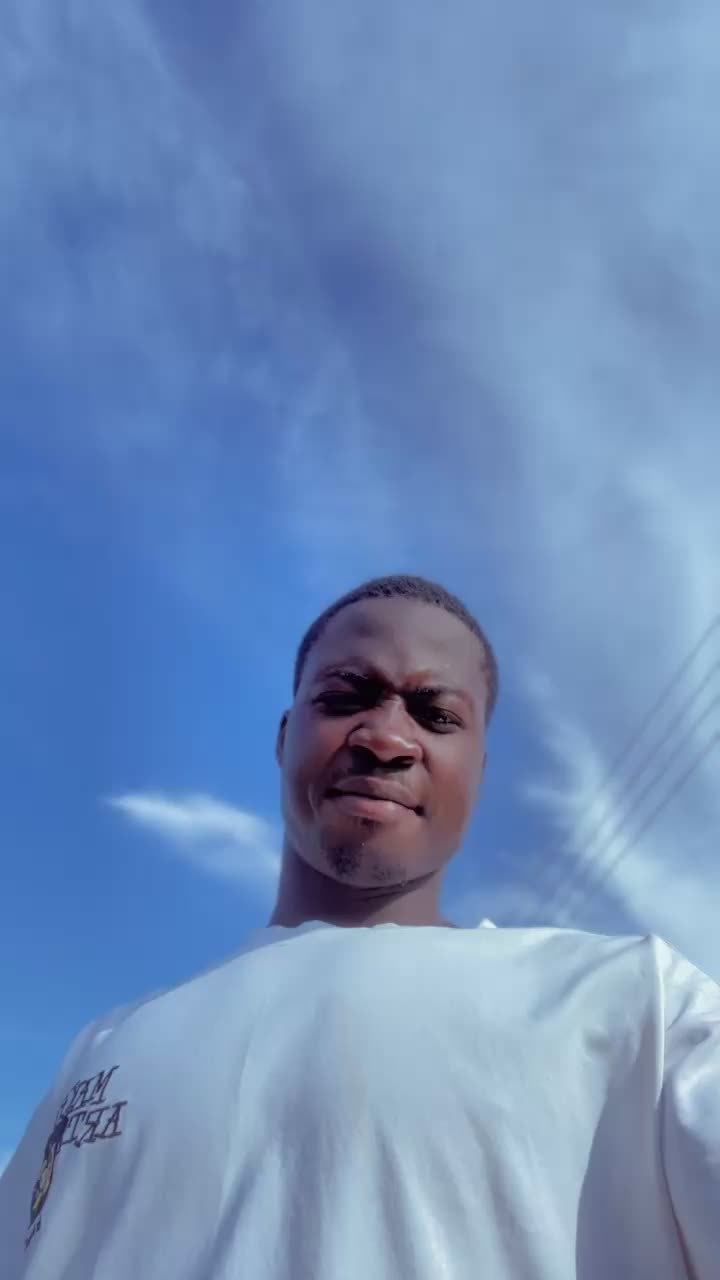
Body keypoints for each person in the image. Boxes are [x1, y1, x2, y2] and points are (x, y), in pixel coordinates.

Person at [1, 574, 718, 1279]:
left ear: (478, 770)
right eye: (344, 697)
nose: (385, 738)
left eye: (437, 716)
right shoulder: (102, 1049)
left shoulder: (640, 1008)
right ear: (285, 736)